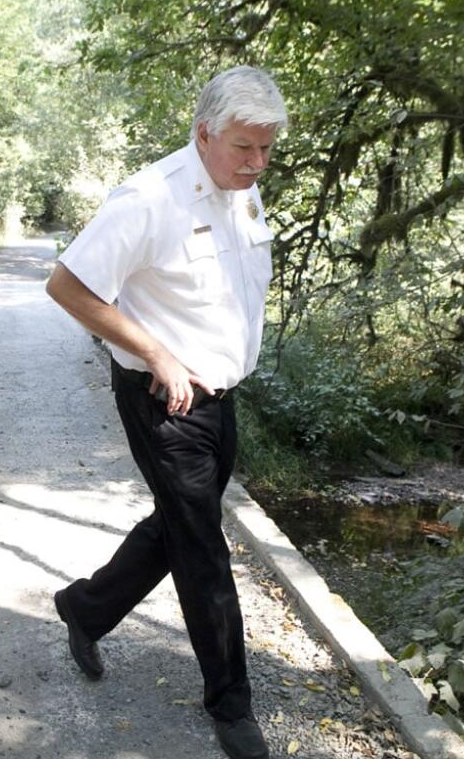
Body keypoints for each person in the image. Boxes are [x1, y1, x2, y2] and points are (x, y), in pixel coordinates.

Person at [45, 65, 287, 759]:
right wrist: (157, 352)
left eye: (267, 149)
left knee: (179, 525)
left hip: (221, 395)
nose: (257, 162)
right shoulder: (149, 199)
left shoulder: (243, 189)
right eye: (245, 147)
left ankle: (85, 608)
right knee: (203, 549)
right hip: (165, 398)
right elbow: (69, 284)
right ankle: (231, 707)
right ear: (205, 131)